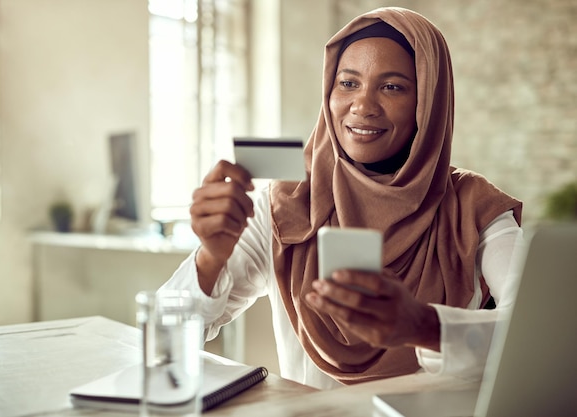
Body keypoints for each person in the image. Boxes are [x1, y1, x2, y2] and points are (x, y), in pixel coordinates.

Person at [160, 7, 524, 390]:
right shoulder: (286, 205)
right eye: (348, 83)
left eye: (393, 87)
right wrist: (212, 257)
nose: (363, 105)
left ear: (428, 102)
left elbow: (542, 332)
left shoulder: (473, 208)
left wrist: (423, 326)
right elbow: (166, 344)